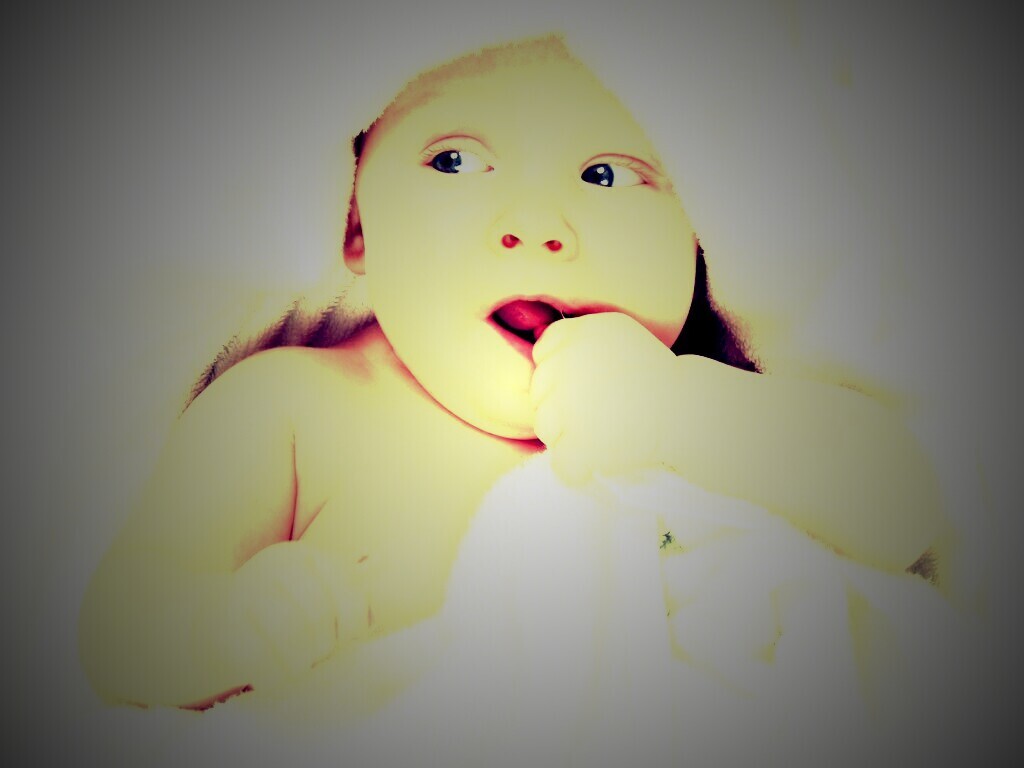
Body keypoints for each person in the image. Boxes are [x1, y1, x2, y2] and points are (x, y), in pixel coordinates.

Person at [78, 34, 950, 711]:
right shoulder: (296, 406)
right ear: (356, 228)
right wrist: (228, 629)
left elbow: (900, 510)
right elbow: (122, 632)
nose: (536, 224)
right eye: (454, 161)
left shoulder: (701, 389)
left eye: (605, 175)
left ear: (698, 241)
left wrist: (683, 413)